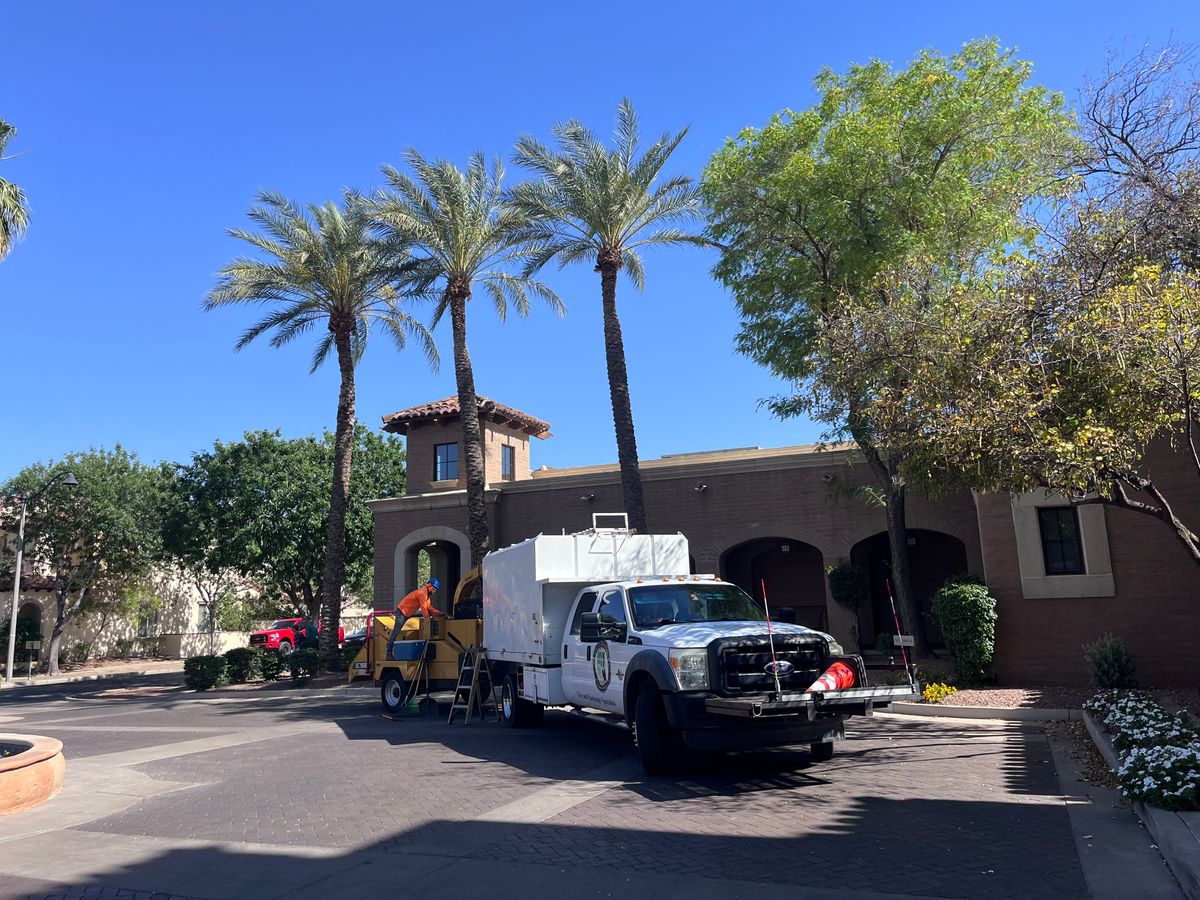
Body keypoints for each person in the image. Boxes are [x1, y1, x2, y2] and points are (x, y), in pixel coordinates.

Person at [387, 578, 443, 660]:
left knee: (427, 613)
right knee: (395, 632)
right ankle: (389, 653)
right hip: (402, 612)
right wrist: (427, 622)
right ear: (429, 585)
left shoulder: (427, 595)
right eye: (434, 588)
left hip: (409, 613)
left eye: (436, 589)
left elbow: (429, 608)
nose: (434, 591)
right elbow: (424, 609)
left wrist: (439, 613)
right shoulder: (422, 593)